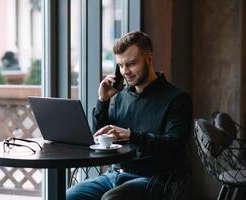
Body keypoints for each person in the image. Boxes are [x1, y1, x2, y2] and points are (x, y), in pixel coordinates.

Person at [66, 31, 193, 200]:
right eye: (120, 65)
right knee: (67, 196)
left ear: (149, 59)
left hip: (153, 180)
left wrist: (131, 135)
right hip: (113, 175)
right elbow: (100, 137)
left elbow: (175, 144)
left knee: (112, 199)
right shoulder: (120, 96)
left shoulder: (177, 98)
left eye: (131, 64)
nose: (125, 71)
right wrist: (102, 100)